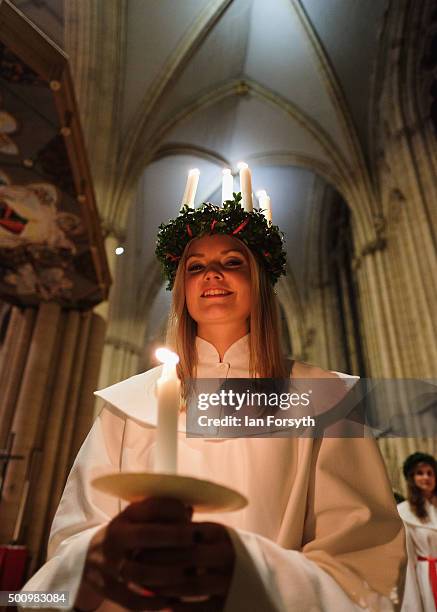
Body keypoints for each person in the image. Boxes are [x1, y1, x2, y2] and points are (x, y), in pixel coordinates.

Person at [22, 196, 406, 611]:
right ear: (182, 289)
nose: (213, 274)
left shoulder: (327, 399)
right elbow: (68, 552)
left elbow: (362, 566)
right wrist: (94, 560)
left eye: (233, 261)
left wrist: (250, 573)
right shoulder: (128, 406)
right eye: (196, 266)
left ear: (260, 277)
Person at [398, 452, 437, 611]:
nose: (426, 477)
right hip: (424, 577)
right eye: (420, 473)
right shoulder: (404, 512)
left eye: (430, 473)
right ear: (411, 478)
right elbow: (408, 559)